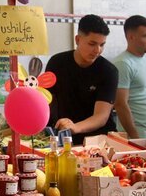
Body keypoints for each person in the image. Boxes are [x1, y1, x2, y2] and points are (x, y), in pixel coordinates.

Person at [46, 14, 119, 144]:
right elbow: (47, 100)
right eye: (92, 44)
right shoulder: (56, 63)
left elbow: (101, 116)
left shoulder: (109, 71)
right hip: (65, 139)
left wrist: (75, 127)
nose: (97, 50)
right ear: (78, 39)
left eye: (102, 44)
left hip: (99, 141)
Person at [113, 15, 146, 139]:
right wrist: (134, 136)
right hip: (135, 137)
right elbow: (120, 104)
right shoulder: (123, 63)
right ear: (131, 37)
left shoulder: (145, 60)